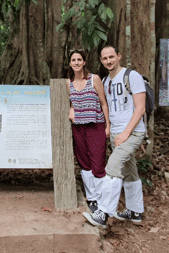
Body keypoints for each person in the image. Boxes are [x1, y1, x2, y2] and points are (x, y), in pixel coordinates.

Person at [83, 46, 146, 228]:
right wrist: (109, 129)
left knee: (112, 168)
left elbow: (140, 108)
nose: (109, 61)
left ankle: (103, 213)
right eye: (105, 58)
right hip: (117, 132)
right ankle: (135, 211)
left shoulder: (131, 76)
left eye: (112, 57)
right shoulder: (105, 81)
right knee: (129, 172)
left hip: (131, 132)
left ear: (119, 56)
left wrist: (127, 134)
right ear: (101, 60)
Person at [67, 50, 110, 213]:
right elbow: (71, 101)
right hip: (78, 127)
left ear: (84, 62)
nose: (76, 62)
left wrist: (108, 126)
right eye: (73, 60)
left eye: (79, 59)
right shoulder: (68, 82)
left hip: (96, 125)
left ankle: (102, 199)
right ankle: (92, 198)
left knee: (97, 163)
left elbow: (103, 103)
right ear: (70, 63)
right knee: (84, 163)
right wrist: (71, 108)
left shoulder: (94, 79)